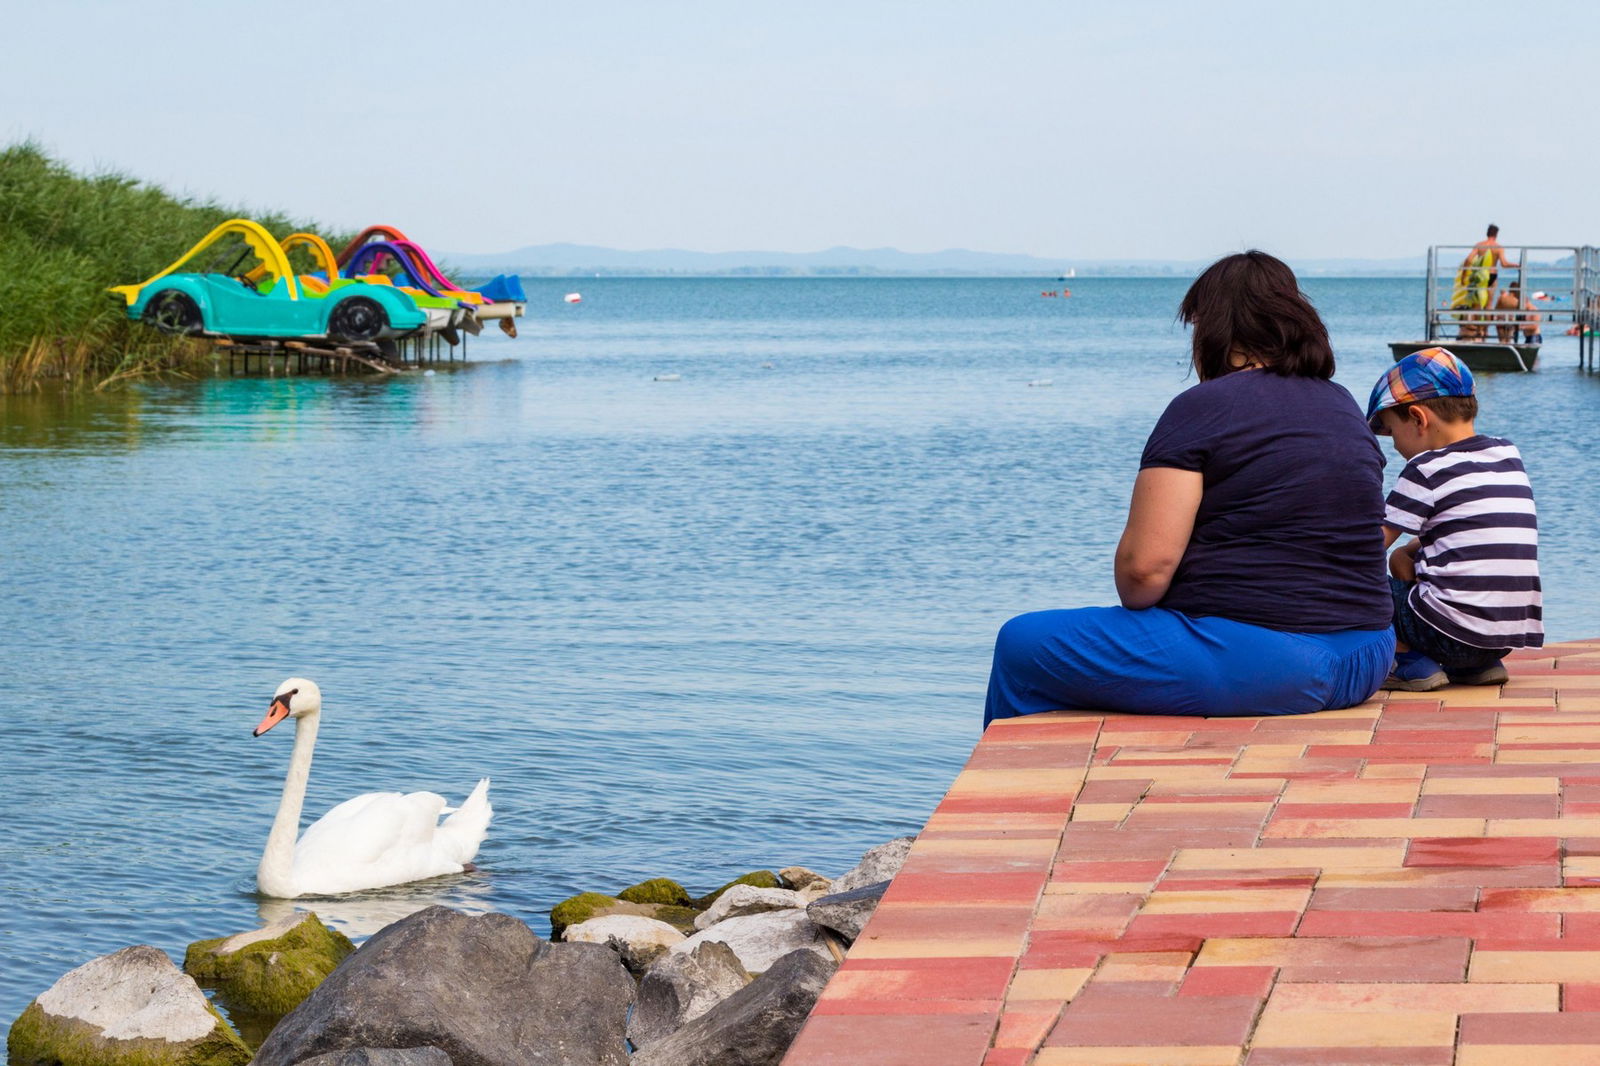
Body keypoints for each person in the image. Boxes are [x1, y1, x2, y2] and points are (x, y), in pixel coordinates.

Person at [983, 251, 1395, 727]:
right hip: (1368, 655)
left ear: (1214, 328)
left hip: (1274, 663)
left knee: (1022, 644)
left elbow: (1143, 574)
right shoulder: (1341, 403)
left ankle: (1026, 793)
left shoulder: (1202, 407)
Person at [1365, 348, 1543, 690]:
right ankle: (1478, 665)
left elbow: (1370, 545)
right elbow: (1478, 529)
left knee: (1367, 588)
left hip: (1447, 632)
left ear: (1417, 418)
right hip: (1506, 633)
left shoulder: (1425, 469)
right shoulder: (1507, 455)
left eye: (1391, 432)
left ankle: (1409, 661)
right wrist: (1409, 552)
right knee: (1405, 558)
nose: (1396, 447)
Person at [1454, 225, 1519, 341]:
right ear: (1496, 234)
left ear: (1487, 233)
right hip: (1492, 276)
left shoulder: (1480, 245)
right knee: (1488, 306)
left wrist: (1464, 274)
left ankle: (1478, 330)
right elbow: (1504, 263)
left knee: (1478, 305)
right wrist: (1516, 265)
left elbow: (1469, 259)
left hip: (1480, 276)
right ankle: (1485, 331)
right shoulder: (1498, 248)